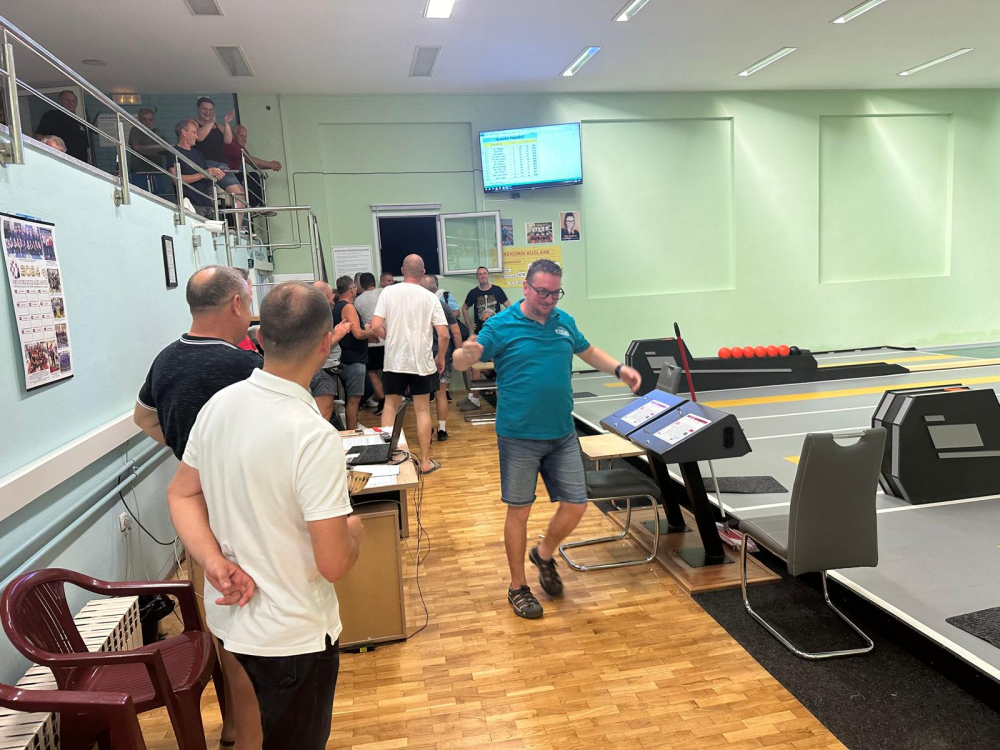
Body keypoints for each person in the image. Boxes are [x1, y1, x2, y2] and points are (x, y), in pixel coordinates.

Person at [167, 281, 364, 750]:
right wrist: (354, 529)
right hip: (293, 635)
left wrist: (213, 561)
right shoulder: (312, 434)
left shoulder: (220, 405)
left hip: (234, 623)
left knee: (252, 735)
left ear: (258, 337)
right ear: (326, 343)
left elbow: (182, 494)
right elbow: (333, 563)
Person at [453, 259, 642, 619]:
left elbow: (588, 351)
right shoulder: (501, 325)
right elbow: (465, 360)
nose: (549, 299)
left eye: (555, 293)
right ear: (525, 288)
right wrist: (466, 353)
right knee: (519, 511)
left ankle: (543, 554)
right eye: (542, 292)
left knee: (576, 505)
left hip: (562, 433)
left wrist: (619, 369)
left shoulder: (563, 321)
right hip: (519, 436)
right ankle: (518, 587)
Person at [133, 265, 263, 749]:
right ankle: (251, 732)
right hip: (240, 509)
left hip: (193, 513)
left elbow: (143, 417)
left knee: (219, 622)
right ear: (236, 303)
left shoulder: (166, 359)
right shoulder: (244, 367)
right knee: (249, 622)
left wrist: (188, 455)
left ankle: (233, 726)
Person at [371, 254, 448, 474]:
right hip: (422, 362)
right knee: (422, 410)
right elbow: (443, 334)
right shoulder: (430, 297)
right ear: (423, 273)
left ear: (402, 270)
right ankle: (425, 462)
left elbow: (375, 326)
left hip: (394, 361)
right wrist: (441, 357)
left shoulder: (388, 292)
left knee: (390, 406)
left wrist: (389, 337)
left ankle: (386, 457)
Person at [459, 266, 510, 412]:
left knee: (476, 363)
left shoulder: (497, 290)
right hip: (481, 334)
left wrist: (504, 322)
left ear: (488, 275)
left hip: (496, 335)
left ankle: (475, 400)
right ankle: (472, 397)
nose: (482, 276)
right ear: (477, 277)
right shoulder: (473, 293)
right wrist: (469, 324)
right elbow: (464, 308)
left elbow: (509, 307)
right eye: (480, 274)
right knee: (471, 363)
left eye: (484, 273)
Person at [420, 274, 462, 441]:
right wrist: (459, 352)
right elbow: (456, 332)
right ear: (436, 288)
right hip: (442, 354)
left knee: (423, 396)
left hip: (422, 355)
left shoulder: (416, 306)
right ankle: (442, 430)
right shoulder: (443, 306)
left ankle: (425, 429)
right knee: (441, 393)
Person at [192, 97, 247, 221]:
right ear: (197, 109)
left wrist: (226, 123)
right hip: (203, 164)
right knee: (207, 196)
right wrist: (210, 122)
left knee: (239, 193)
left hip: (221, 165)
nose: (207, 112)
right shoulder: (193, 123)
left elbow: (228, 140)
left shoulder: (219, 126)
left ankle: (237, 228)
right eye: (204, 109)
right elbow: (199, 137)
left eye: (210, 109)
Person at [331, 275, 374, 429]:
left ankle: (352, 426)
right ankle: (352, 431)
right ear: (351, 289)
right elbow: (358, 334)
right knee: (354, 398)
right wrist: (372, 331)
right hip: (353, 359)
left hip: (347, 357)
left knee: (362, 392)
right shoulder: (348, 307)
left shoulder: (337, 307)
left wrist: (365, 330)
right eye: (355, 288)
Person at [308, 280, 353, 426]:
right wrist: (339, 334)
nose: (333, 300)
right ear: (326, 295)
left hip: (319, 367)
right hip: (323, 368)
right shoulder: (320, 313)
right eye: (331, 297)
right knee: (324, 413)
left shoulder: (310, 312)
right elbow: (320, 344)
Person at [170, 119, 226, 219]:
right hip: (190, 204)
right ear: (184, 132)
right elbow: (176, 179)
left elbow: (206, 177)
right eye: (194, 132)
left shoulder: (198, 153)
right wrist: (204, 174)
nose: (196, 136)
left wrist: (214, 175)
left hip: (208, 203)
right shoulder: (174, 152)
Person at [353, 272, 385, 414]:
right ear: (375, 281)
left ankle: (383, 401)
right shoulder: (384, 294)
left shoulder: (358, 301)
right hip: (388, 339)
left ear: (361, 284)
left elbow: (359, 323)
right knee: (389, 371)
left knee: (371, 372)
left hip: (371, 342)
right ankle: (393, 400)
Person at [35, 90, 90, 163]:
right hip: (61, 161)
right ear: (60, 101)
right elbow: (39, 137)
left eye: (73, 101)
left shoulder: (80, 122)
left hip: (80, 164)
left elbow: (85, 148)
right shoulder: (52, 116)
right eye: (67, 100)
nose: (70, 103)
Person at [127, 108, 170, 194]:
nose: (147, 122)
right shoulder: (135, 130)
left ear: (154, 121)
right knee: (141, 195)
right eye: (144, 119)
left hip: (156, 170)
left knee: (160, 196)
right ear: (139, 120)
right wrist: (152, 149)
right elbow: (136, 147)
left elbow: (168, 147)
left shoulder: (157, 132)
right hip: (140, 171)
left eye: (150, 119)